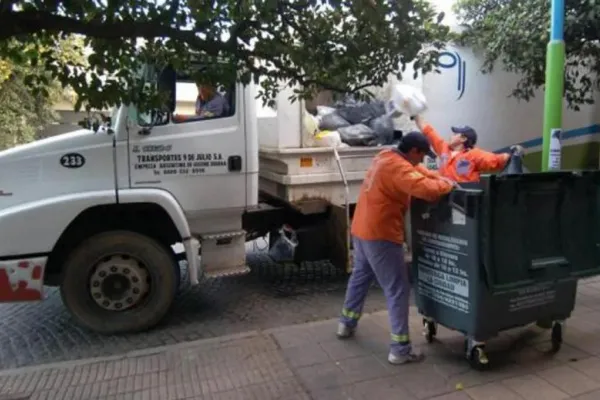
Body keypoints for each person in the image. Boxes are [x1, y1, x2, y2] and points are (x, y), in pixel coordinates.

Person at [337, 131, 455, 365]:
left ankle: (346, 324)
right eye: (421, 156)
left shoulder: (385, 156)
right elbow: (425, 189)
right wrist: (446, 186)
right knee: (398, 289)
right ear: (413, 151)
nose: (422, 162)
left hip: (362, 229)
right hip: (381, 234)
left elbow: (417, 172)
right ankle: (400, 350)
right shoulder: (398, 168)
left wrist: (437, 176)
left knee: (361, 276)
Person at [414, 115, 523, 183]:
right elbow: (428, 130)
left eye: (455, 134)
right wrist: (414, 113)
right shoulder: (443, 148)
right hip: (443, 200)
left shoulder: (474, 155)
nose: (451, 136)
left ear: (463, 138)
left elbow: (498, 160)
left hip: (465, 203)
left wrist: (516, 152)